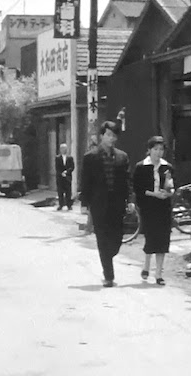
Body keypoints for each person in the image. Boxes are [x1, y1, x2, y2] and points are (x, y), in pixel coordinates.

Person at [79, 120, 134, 288]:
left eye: (114, 135)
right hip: (98, 204)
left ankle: (109, 255)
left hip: (117, 203)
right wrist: (84, 203)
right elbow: (85, 181)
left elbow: (127, 181)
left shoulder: (122, 157)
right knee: (102, 238)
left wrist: (130, 200)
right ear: (102, 136)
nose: (111, 138)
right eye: (108, 135)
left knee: (117, 238)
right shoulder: (90, 157)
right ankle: (108, 276)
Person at [131, 136, 173, 285]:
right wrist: (154, 194)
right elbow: (138, 188)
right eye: (155, 149)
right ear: (149, 150)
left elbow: (173, 185)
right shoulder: (141, 167)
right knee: (150, 236)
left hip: (164, 207)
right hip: (148, 206)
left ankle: (159, 273)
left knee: (163, 238)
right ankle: (146, 265)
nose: (158, 152)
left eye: (161, 149)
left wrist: (169, 193)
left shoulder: (167, 167)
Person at [55, 143, 75, 211]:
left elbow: (72, 167)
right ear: (60, 149)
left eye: (65, 148)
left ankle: (69, 205)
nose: (64, 150)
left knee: (68, 192)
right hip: (60, 177)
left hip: (67, 177)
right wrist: (61, 173)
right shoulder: (57, 158)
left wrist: (67, 172)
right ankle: (61, 205)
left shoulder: (70, 158)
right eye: (63, 148)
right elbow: (57, 167)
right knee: (60, 192)